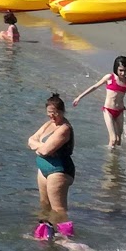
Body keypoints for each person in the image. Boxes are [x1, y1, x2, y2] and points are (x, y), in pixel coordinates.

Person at [28, 92, 76, 221]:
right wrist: (41, 147)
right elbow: (31, 139)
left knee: (58, 210)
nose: (52, 116)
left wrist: (39, 147)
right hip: (43, 170)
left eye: (55, 112)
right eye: (49, 112)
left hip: (59, 171)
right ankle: (45, 232)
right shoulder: (49, 124)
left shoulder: (64, 128)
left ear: (62, 111)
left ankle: (66, 237)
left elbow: (45, 151)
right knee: (44, 205)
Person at [73, 56, 126, 148]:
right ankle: (110, 161)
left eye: (125, 70)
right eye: (121, 70)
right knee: (113, 139)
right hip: (108, 110)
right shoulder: (109, 77)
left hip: (120, 111)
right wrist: (79, 97)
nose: (123, 73)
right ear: (116, 68)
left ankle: (115, 160)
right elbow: (94, 87)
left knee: (118, 140)